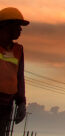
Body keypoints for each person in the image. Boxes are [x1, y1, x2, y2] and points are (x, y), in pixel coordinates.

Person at [0, 7, 28, 136]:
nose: (20, 29)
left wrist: (21, 102)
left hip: (6, 105)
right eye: (18, 25)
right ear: (7, 26)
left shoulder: (17, 50)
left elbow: (19, 76)